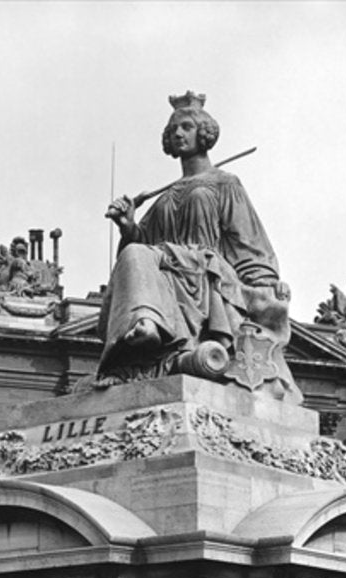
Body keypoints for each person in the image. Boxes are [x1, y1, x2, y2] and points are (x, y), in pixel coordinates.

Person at [97, 92, 291, 384]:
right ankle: (147, 324)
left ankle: (154, 331)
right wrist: (128, 228)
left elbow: (248, 242)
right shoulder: (166, 196)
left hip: (206, 274)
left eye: (186, 126)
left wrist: (265, 286)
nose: (178, 133)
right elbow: (141, 253)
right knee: (134, 252)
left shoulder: (225, 184)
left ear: (204, 133)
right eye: (173, 129)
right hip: (170, 273)